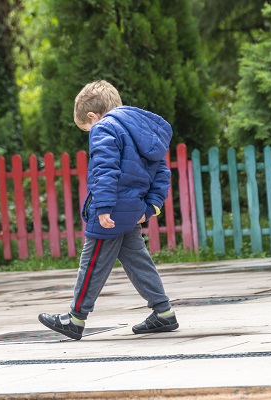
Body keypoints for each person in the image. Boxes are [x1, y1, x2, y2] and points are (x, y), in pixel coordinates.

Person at [38, 80, 178, 340]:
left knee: (92, 264)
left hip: (110, 211)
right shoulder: (142, 131)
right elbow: (161, 173)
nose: (89, 131)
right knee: (138, 262)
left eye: (86, 127)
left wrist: (102, 207)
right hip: (133, 210)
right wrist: (151, 207)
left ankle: (75, 318)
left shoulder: (104, 127)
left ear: (93, 116)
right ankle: (164, 313)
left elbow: (104, 169)